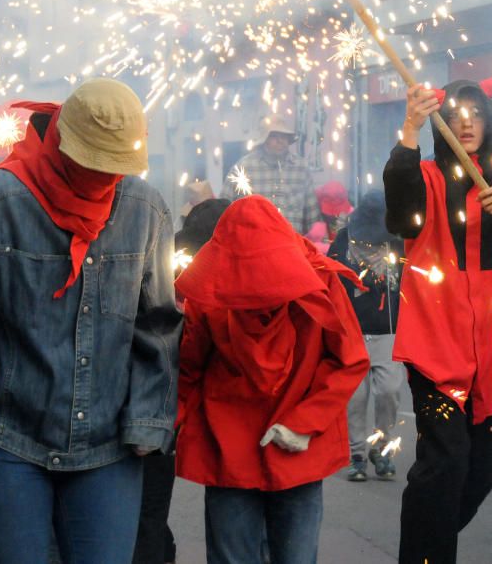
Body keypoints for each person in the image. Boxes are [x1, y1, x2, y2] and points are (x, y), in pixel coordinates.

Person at [0, 78, 182, 564]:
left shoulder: (146, 208)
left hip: (108, 446)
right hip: (5, 441)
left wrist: (149, 417)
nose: (105, 175)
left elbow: (159, 324)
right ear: (63, 142)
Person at [384, 74, 492, 564]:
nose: (467, 122)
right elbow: (401, 218)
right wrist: (410, 131)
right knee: (444, 464)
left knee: (482, 470)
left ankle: (423, 548)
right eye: (457, 114)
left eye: (477, 113)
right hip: (435, 350)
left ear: (491, 120)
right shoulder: (429, 177)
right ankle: (427, 555)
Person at [175, 195, 369, 564]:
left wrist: (304, 424)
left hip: (263, 444)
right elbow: (190, 367)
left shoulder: (315, 282)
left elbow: (349, 360)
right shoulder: (216, 289)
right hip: (241, 447)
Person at [133, 197, 229, 564]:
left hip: (158, 407)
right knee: (147, 514)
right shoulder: (174, 268)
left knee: (147, 514)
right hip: (154, 405)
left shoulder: (167, 258)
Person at [327, 190, 404, 481]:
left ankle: (382, 448)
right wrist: (354, 275)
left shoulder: (397, 242)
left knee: (389, 391)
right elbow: (330, 276)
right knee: (355, 398)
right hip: (353, 329)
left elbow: (410, 280)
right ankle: (356, 455)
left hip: (388, 330)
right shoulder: (345, 239)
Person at [221, 116, 318, 234]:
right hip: (254, 246)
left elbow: (313, 217)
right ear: (264, 139)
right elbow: (223, 209)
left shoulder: (301, 168)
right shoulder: (244, 167)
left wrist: (317, 245)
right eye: (274, 136)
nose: (280, 141)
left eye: (284, 136)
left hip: (291, 247)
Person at [307, 180, 353, 254]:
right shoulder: (312, 216)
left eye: (338, 209)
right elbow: (305, 245)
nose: (334, 215)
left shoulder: (352, 216)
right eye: (330, 209)